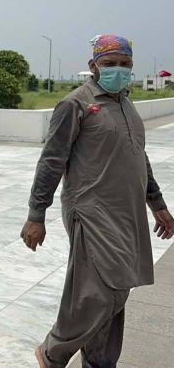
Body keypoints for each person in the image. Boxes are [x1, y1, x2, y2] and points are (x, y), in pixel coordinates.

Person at [22, 34, 174, 368]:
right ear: (93, 65)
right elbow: (51, 160)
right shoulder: (75, 104)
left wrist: (158, 204)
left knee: (118, 290)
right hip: (90, 210)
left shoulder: (126, 105)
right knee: (100, 292)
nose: (118, 70)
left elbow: (138, 156)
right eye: (109, 63)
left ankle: (100, 362)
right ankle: (53, 353)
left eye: (124, 64)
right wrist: (36, 214)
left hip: (127, 211)